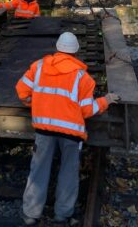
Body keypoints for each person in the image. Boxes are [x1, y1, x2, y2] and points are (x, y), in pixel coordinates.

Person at [16, 31, 120, 226]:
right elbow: (87, 110)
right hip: (71, 133)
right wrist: (106, 100)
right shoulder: (84, 78)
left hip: (44, 129)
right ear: (76, 52)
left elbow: (21, 90)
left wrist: (33, 102)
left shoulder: (38, 67)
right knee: (68, 172)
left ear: (57, 49)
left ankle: (31, 214)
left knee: (38, 169)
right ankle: (62, 215)